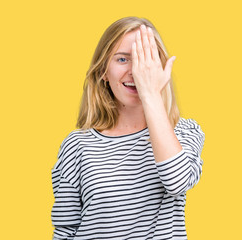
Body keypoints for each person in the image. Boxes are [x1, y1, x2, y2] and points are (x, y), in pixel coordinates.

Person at [50, 17, 205, 240]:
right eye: (123, 59)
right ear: (104, 71)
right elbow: (65, 231)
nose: (136, 71)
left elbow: (177, 181)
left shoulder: (185, 132)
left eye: (146, 59)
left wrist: (150, 93)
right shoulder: (76, 146)